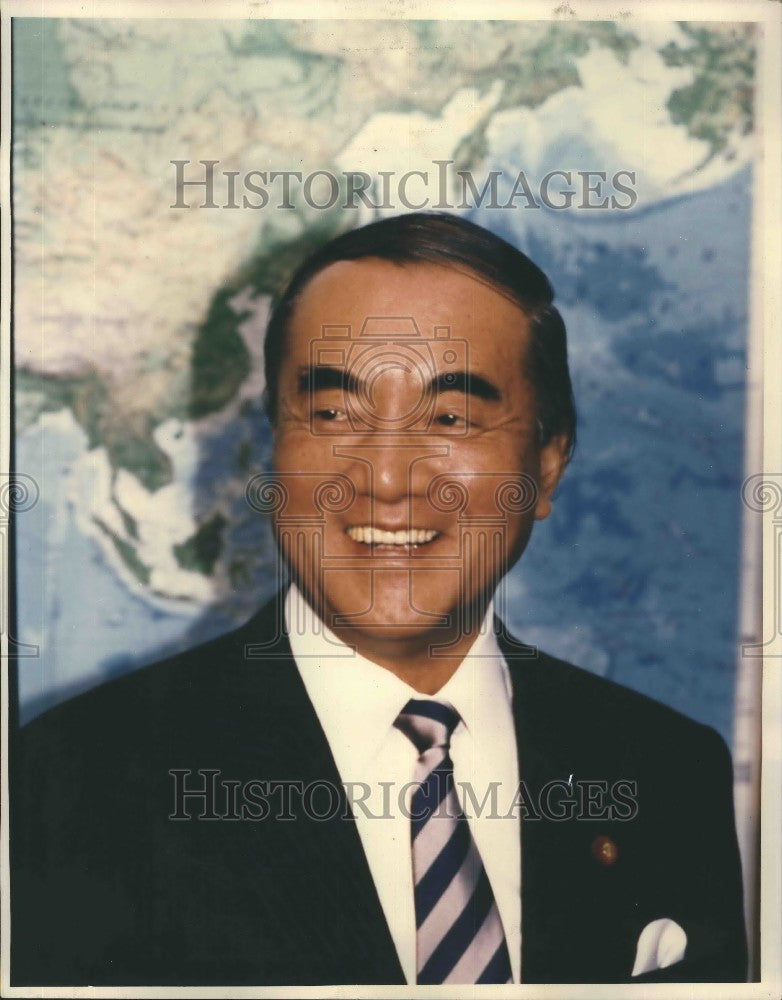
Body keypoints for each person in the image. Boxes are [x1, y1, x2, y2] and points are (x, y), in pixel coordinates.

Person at [10, 213, 747, 986]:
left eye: (451, 418)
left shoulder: (665, 768)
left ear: (548, 465)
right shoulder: (80, 781)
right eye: (333, 415)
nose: (386, 479)